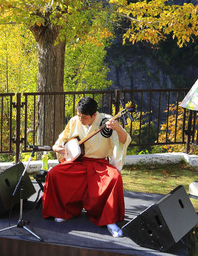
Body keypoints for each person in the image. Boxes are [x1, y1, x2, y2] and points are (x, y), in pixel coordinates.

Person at [42, 96, 131, 237]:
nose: (80, 120)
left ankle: (109, 220)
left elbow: (123, 141)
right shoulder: (74, 121)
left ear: (94, 115)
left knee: (114, 178)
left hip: (99, 163)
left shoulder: (106, 121)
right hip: (79, 161)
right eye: (79, 115)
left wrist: (118, 129)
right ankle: (64, 211)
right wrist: (56, 147)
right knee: (55, 173)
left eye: (84, 117)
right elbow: (61, 140)